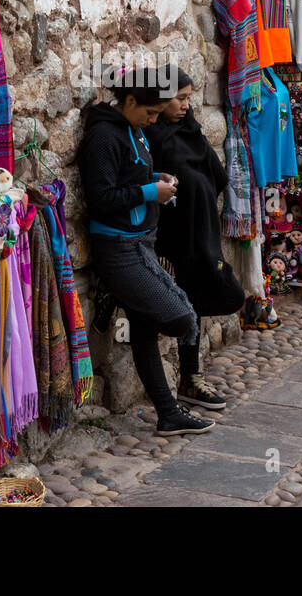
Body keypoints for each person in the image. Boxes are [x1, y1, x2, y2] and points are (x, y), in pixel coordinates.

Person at [79, 67, 213, 436]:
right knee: (180, 317)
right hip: (120, 248)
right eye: (150, 113)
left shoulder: (133, 129)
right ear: (131, 100)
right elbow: (102, 198)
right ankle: (117, 291)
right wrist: (151, 193)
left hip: (141, 243)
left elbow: (130, 179)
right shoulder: (103, 137)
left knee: (144, 329)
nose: (153, 120)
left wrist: (158, 179)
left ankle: (168, 414)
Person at [144, 66, 244, 411]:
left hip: (198, 238)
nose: (186, 105)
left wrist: (198, 199)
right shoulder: (152, 137)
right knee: (180, 306)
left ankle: (190, 376)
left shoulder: (190, 131)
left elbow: (215, 175)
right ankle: (187, 378)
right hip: (167, 241)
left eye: (189, 98)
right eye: (180, 98)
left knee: (201, 299)